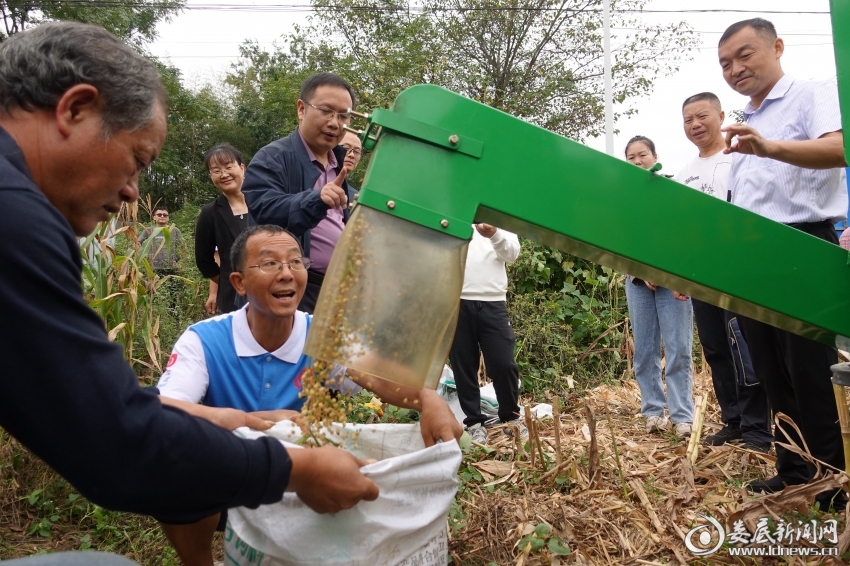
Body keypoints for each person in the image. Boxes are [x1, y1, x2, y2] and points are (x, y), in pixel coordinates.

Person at [0, 22, 380, 565]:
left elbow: (87, 414)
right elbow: (119, 441)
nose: (131, 190)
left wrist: (425, 396)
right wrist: (295, 468)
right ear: (75, 109)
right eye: (137, 160)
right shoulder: (16, 218)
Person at [156, 224, 462, 566]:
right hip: (232, 474)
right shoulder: (205, 340)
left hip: (302, 479)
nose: (287, 273)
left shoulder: (322, 335)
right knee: (176, 471)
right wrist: (251, 421)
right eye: (269, 263)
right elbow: (163, 411)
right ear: (239, 283)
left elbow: (379, 375)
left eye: (295, 262)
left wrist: (428, 398)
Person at [718, 18, 847, 502]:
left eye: (744, 54)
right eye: (725, 63)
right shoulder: (745, 118)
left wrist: (770, 147)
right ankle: (793, 468)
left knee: (809, 367)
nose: (735, 68)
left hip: (802, 243)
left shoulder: (812, 93)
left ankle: (831, 479)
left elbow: (840, 148)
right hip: (756, 252)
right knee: (769, 368)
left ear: (777, 46)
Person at [675, 92, 772, 453]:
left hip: (739, 272)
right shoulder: (684, 175)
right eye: (688, 120)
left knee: (743, 348)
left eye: (702, 116)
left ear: (720, 116)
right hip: (704, 275)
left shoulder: (739, 160)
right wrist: (682, 274)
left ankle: (758, 428)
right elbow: (683, 231)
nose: (695, 125)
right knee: (716, 349)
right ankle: (733, 421)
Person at [242, 72, 357, 314]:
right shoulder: (273, 157)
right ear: (301, 109)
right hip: (289, 290)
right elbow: (264, 208)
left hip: (336, 290)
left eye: (343, 116)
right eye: (326, 111)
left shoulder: (338, 165)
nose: (335, 123)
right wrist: (316, 199)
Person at [624, 136, 695, 438]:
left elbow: (682, 235)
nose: (637, 161)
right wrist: (641, 270)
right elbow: (619, 239)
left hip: (672, 283)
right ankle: (653, 411)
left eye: (642, 154)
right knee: (644, 350)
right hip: (637, 282)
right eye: (630, 157)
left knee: (678, 349)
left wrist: (666, 272)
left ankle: (682, 416)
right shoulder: (622, 196)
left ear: (655, 157)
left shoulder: (672, 189)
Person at [449, 223, 525, 445]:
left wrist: (494, 233)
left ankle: (511, 417)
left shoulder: (499, 216)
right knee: (463, 365)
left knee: (504, 363)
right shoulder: (452, 211)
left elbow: (512, 254)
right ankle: (474, 423)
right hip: (455, 301)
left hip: (493, 302)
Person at [196, 143, 252, 314]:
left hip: (272, 291)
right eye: (216, 171)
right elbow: (204, 261)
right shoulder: (210, 213)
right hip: (233, 300)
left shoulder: (264, 202)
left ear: (242, 168)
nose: (224, 174)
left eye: (228, 167)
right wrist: (229, 281)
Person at [139, 206, 184, 276]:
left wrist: (181, 263)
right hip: (152, 268)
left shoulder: (174, 230)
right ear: (154, 217)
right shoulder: (148, 230)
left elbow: (183, 246)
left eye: (165, 215)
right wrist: (143, 257)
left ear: (168, 218)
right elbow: (137, 243)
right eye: (159, 215)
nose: (162, 216)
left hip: (171, 267)